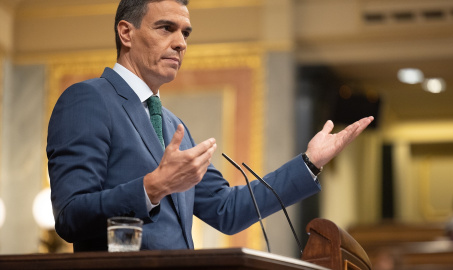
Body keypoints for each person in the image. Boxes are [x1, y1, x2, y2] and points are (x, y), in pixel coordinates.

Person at [46, 0, 374, 252]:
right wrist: (152, 187)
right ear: (126, 32)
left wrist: (309, 162)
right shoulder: (88, 100)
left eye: (185, 33)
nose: (180, 43)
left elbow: (226, 210)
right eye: (166, 28)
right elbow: (71, 215)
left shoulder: (174, 125)